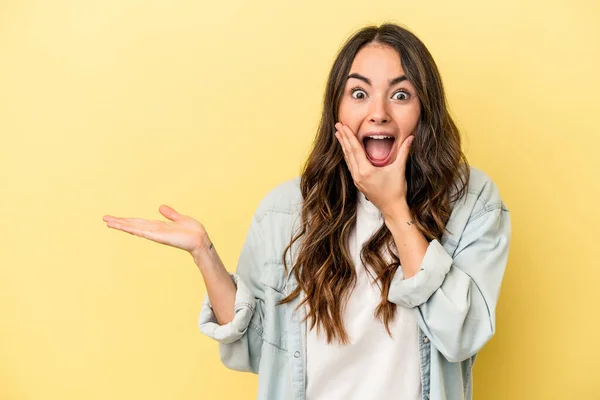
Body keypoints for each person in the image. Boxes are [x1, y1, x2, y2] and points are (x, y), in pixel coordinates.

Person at [103, 23, 511, 400]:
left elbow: (461, 335)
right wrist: (204, 254)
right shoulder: (285, 212)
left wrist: (393, 207)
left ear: (425, 112)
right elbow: (254, 350)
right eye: (359, 92)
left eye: (401, 95)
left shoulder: (471, 202)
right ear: (336, 110)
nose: (379, 111)